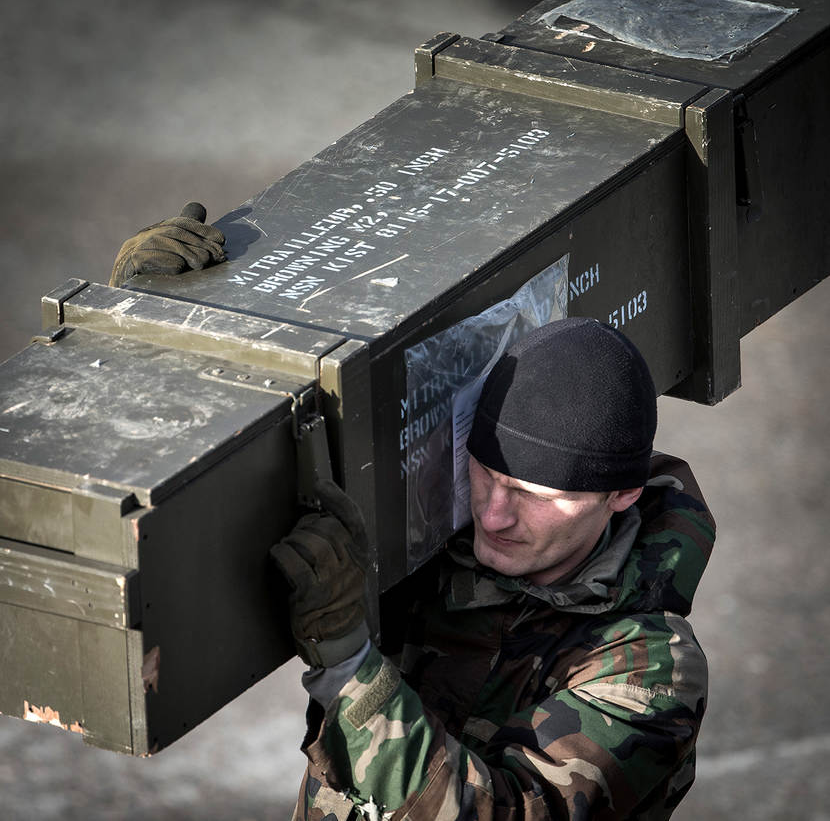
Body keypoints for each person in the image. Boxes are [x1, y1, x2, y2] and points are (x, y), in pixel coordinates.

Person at [112, 213, 714, 819]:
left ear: (622, 494)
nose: (493, 516)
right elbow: (234, 478)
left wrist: (347, 662)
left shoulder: (649, 673)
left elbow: (497, 812)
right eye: (486, 473)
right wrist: (149, 320)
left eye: (534, 496)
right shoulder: (431, 532)